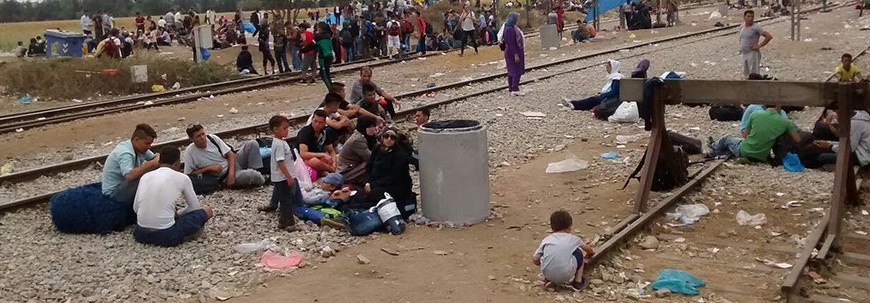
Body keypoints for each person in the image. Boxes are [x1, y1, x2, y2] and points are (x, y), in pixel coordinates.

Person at [133, 146, 213, 247]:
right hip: (166, 235)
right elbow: (194, 208)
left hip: (141, 233)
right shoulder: (183, 178)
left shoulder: (145, 177)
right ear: (177, 163)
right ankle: (186, 236)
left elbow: (136, 208)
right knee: (207, 210)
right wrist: (178, 214)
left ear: (160, 161)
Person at [183, 124, 265, 194]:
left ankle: (259, 173)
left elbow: (231, 155)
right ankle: (263, 179)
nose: (203, 138)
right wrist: (209, 168)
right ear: (191, 139)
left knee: (252, 144)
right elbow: (190, 173)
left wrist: (231, 175)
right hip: (224, 176)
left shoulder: (212, 138)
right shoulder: (190, 152)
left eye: (203, 134)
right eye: (198, 136)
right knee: (251, 174)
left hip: (233, 165)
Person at [708, 105, 800, 162]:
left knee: (726, 140)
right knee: (729, 148)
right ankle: (716, 151)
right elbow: (797, 139)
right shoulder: (786, 122)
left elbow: (744, 135)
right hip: (762, 156)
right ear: (778, 106)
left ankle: (712, 148)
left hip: (746, 150)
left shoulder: (755, 114)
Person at [258, 115, 301, 232]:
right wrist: (288, 177)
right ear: (276, 130)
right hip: (282, 178)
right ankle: (288, 223)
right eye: (285, 128)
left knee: (284, 198)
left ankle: (283, 221)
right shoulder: (279, 144)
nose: (287, 131)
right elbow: (280, 162)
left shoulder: (279, 142)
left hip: (281, 177)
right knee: (286, 200)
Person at [533, 210, 596, 290]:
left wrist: (543, 264)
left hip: (547, 273)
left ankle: (549, 279)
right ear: (569, 227)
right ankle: (578, 282)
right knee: (578, 252)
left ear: (552, 228)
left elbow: (535, 259)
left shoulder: (547, 240)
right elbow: (588, 249)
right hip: (566, 275)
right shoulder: (573, 239)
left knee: (547, 254)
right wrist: (591, 253)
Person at [364, 128, 417, 217]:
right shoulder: (377, 148)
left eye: (392, 137)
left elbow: (394, 177)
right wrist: (367, 182)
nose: (389, 139)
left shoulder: (399, 155)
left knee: (374, 195)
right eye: (386, 136)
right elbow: (369, 167)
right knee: (361, 193)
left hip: (396, 186)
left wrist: (372, 185)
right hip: (378, 182)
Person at [102, 124, 160, 203]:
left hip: (124, 187)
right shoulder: (125, 152)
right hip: (113, 193)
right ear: (136, 140)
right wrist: (151, 164)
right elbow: (129, 175)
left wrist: (155, 161)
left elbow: (155, 158)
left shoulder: (140, 149)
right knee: (145, 176)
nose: (149, 146)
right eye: (147, 143)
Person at [338, 115, 378, 189]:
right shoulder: (358, 140)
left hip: (354, 166)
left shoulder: (364, 136)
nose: (374, 129)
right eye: (370, 127)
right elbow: (371, 158)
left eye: (374, 126)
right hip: (347, 172)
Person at [739, 10, 772, 76]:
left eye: (752, 17)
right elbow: (742, 38)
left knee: (754, 74)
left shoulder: (756, 27)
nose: (750, 18)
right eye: (748, 16)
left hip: (753, 53)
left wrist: (759, 45)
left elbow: (769, 36)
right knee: (746, 74)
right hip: (745, 54)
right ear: (744, 17)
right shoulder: (742, 27)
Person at [500, 12, 525, 96]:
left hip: (511, 51)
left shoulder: (508, 26)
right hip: (513, 52)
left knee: (511, 70)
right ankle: (515, 88)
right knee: (516, 70)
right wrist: (515, 54)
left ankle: (511, 88)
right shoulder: (510, 29)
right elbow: (511, 43)